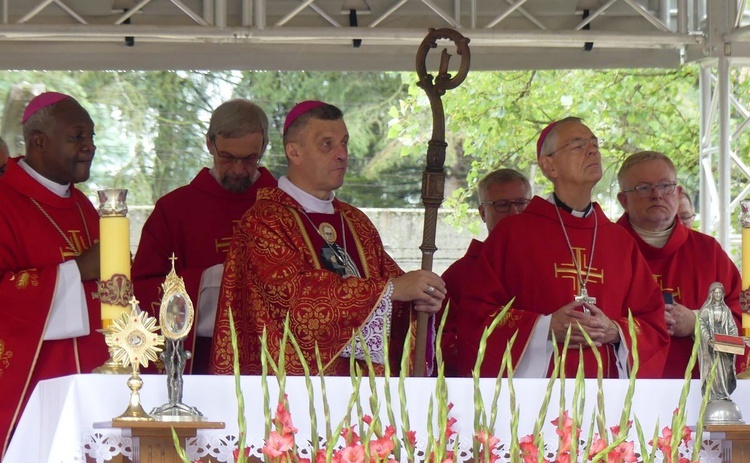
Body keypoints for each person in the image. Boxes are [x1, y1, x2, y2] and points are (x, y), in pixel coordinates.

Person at [210, 100, 445, 376]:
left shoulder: (356, 223)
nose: (342, 154)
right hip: (293, 395)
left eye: (344, 143)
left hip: (365, 397)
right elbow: (297, 302)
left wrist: (422, 299)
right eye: (327, 144)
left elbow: (394, 287)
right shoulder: (265, 221)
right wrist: (392, 291)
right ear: (294, 152)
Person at [455, 117, 669, 379]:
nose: (592, 151)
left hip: (606, 397)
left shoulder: (620, 241)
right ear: (549, 165)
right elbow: (476, 316)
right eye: (578, 146)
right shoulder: (513, 235)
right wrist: (543, 327)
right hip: (533, 399)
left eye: (594, 144)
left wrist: (614, 330)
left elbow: (652, 323)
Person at [132, 99, 277, 374]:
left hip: (273, 356)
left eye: (249, 159)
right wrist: (206, 282)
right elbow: (141, 288)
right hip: (198, 359)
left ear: (264, 147)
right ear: (210, 144)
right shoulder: (174, 209)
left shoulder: (285, 206)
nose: (237, 169)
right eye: (227, 157)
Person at [0, 92, 106, 457]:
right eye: (77, 137)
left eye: (92, 137)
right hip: (33, 388)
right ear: (38, 141)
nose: (90, 146)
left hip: (93, 384)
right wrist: (77, 270)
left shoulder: (84, 207)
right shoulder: (4, 200)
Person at [615, 151, 743, 378]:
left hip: (699, 392)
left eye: (666, 186)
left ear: (678, 192)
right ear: (623, 200)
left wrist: (696, 323)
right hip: (622, 389)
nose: (657, 195)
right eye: (643, 188)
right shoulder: (605, 249)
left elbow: (743, 334)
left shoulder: (709, 252)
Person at [439, 168, 531, 375]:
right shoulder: (458, 276)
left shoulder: (548, 267)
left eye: (522, 203)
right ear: (482, 212)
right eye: (502, 205)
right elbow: (443, 344)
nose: (514, 212)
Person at [698, 282, 737, 400]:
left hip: (724, 345)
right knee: (713, 370)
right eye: (716, 293)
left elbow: (732, 326)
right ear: (712, 294)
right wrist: (708, 339)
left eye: (720, 292)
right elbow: (701, 324)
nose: (718, 295)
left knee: (724, 370)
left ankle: (723, 392)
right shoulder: (707, 310)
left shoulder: (726, 310)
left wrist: (734, 338)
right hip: (712, 347)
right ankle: (713, 394)